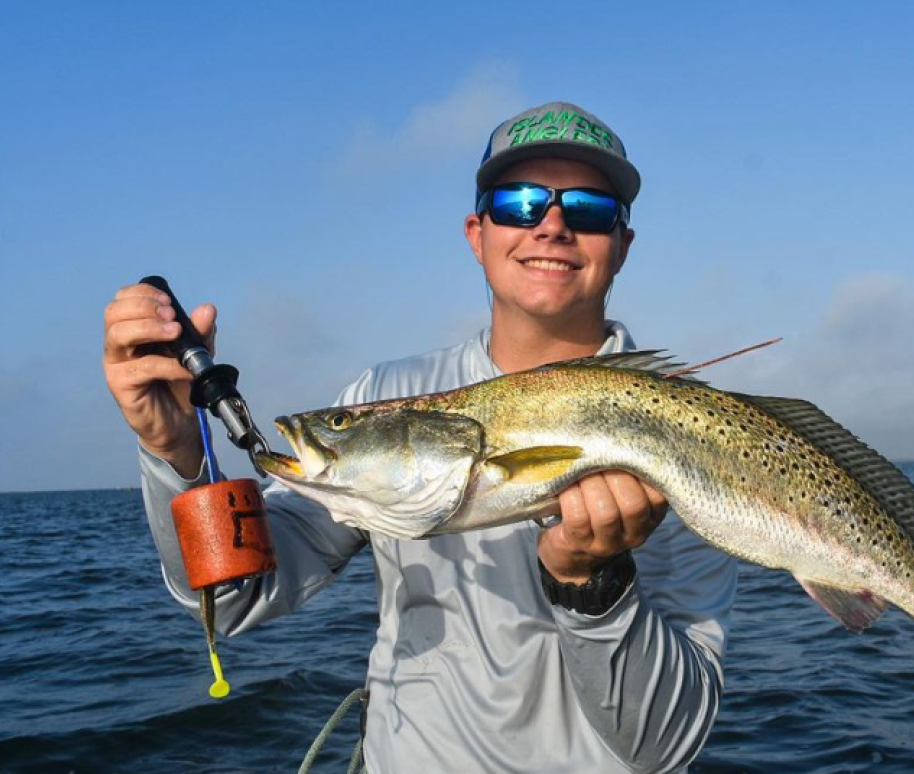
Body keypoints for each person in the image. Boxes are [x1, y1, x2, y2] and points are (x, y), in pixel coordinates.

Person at [103, 101, 738, 773]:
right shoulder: (383, 394)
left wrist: (593, 586)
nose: (551, 225)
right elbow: (235, 597)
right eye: (518, 201)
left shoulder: (695, 432)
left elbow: (665, 744)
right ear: (476, 231)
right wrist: (177, 452)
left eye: (585, 208)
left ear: (622, 244)